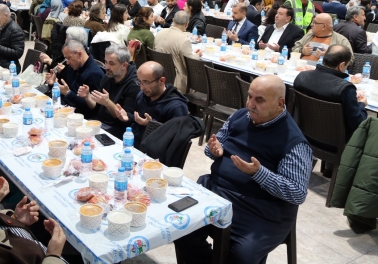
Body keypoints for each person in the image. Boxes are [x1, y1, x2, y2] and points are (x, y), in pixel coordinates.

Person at [174, 75, 312, 264]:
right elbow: (214, 144)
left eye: (259, 100)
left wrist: (259, 173)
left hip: (260, 209)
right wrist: (215, 149)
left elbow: (297, 193)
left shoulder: (294, 141)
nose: (250, 104)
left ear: (280, 104)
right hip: (217, 191)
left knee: (242, 256)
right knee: (181, 226)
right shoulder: (240, 116)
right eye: (249, 97)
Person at [294, 44, 367, 139]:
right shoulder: (345, 89)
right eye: (346, 66)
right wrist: (361, 104)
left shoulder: (302, 77)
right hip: (335, 142)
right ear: (341, 66)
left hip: (302, 134)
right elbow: (358, 124)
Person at [114, 61, 189, 145]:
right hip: (134, 144)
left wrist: (151, 125)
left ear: (161, 81)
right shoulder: (142, 96)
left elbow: (177, 138)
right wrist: (128, 117)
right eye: (139, 82)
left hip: (154, 152)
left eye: (146, 82)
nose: (142, 88)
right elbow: (138, 121)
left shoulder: (176, 106)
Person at [77, 44, 141, 137]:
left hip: (118, 129)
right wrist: (87, 97)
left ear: (124, 65)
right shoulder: (108, 76)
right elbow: (95, 107)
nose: (106, 67)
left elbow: (124, 119)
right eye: (106, 62)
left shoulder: (134, 85)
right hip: (100, 122)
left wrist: (107, 102)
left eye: (111, 63)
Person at [45, 40, 104, 117]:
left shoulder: (95, 74)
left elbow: (91, 108)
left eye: (68, 58)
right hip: (62, 109)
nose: (67, 63)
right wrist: (53, 84)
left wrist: (68, 93)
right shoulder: (73, 67)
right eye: (66, 59)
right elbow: (63, 90)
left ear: (79, 54)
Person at [154, 11, 202, 93]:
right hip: (176, 80)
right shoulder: (184, 40)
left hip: (157, 74)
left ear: (173, 20)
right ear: (187, 24)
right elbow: (190, 64)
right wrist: (198, 55)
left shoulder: (159, 33)